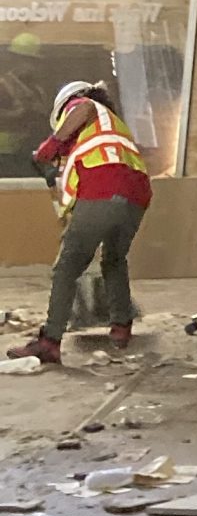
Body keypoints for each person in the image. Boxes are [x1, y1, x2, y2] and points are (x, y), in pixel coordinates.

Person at [5, 79, 150, 366]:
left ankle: (49, 343)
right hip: (136, 195)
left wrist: (49, 147)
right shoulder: (110, 127)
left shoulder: (84, 104)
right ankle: (121, 327)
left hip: (105, 189)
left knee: (67, 267)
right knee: (114, 259)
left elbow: (81, 111)